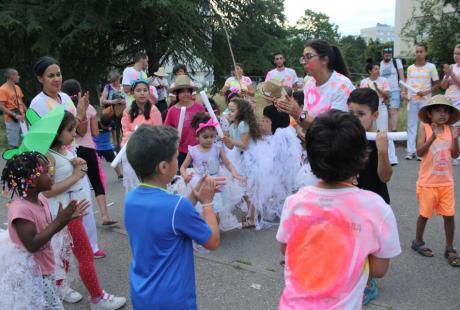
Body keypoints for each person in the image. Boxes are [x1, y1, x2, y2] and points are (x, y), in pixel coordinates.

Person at [277, 110, 401, 309]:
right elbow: (379, 269)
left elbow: (285, 248)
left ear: (310, 155)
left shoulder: (295, 201)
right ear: (364, 156)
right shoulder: (377, 208)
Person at [124, 125, 221, 309]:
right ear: (163, 167)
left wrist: (194, 196)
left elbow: (168, 220)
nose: (178, 161)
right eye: (176, 157)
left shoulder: (130, 198)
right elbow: (212, 241)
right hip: (174, 299)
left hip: (142, 293)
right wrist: (207, 203)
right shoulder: (177, 207)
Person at [44, 111, 127, 309]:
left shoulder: (63, 150)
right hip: (66, 214)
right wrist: (74, 175)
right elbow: (47, 191)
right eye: (70, 130)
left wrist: (74, 160)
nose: (75, 133)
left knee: (64, 252)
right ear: (57, 133)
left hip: (75, 212)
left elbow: (67, 169)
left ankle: (60, 286)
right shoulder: (48, 157)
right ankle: (97, 298)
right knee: (85, 255)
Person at [1, 151, 89, 309]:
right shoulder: (21, 210)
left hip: (44, 268)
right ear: (33, 181)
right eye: (47, 172)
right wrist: (60, 221)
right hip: (33, 274)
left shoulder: (41, 199)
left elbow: (48, 229)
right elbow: (32, 244)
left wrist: (66, 220)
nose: (52, 174)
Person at [347, 88, 394, 305]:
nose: (354, 119)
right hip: (353, 201)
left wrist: (382, 151)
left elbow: (385, 177)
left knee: (371, 247)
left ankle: (369, 283)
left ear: (375, 115)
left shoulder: (383, 139)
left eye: (360, 114)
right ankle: (355, 278)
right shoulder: (350, 137)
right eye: (351, 114)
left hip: (375, 202)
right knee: (353, 244)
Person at [412, 95, 460, 267]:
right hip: (428, 182)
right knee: (424, 214)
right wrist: (432, 137)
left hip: (446, 182)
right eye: (438, 110)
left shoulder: (450, 130)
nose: (443, 114)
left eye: (446, 111)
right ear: (430, 113)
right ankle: (418, 241)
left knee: (449, 216)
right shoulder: (425, 128)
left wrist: (454, 138)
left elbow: (455, 155)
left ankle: (449, 247)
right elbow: (419, 152)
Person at [63, 79, 117, 226]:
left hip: (71, 151)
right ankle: (104, 215)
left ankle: (76, 217)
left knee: (75, 185)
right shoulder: (89, 109)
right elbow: (94, 132)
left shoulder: (64, 109)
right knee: (96, 181)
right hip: (88, 149)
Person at [275, 39, 355, 130]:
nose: (304, 61)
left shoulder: (342, 86)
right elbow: (305, 117)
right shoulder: (309, 84)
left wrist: (298, 113)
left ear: (324, 60)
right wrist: (294, 112)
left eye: (308, 56)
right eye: (303, 58)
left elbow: (334, 129)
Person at [180, 112, 243, 216]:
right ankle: (208, 229)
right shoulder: (193, 151)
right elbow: (183, 167)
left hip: (216, 183)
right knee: (203, 212)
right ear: (197, 136)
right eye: (205, 137)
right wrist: (185, 176)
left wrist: (234, 172)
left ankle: (214, 228)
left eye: (212, 136)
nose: (209, 140)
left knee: (215, 213)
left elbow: (227, 163)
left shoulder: (217, 147)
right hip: (200, 183)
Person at [222, 98, 262, 228]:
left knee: (247, 188)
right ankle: (253, 213)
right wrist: (225, 138)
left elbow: (244, 145)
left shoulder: (243, 124)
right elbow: (231, 147)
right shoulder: (234, 125)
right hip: (240, 157)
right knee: (243, 188)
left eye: (232, 110)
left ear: (241, 112)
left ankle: (252, 217)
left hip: (249, 158)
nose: (229, 112)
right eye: (228, 109)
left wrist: (230, 140)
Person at [29, 56, 89, 137]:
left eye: (58, 74)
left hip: (72, 149)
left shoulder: (65, 97)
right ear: (40, 79)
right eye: (51, 76)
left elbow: (82, 132)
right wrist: (78, 118)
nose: (56, 79)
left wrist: (83, 112)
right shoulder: (38, 103)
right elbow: (56, 137)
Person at [121, 79, 163, 191]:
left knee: (150, 182)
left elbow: (159, 130)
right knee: (133, 182)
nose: (142, 93)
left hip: (150, 149)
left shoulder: (154, 110)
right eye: (138, 90)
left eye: (145, 90)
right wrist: (136, 135)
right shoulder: (128, 111)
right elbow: (125, 131)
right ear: (132, 93)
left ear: (149, 92)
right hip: (131, 148)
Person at [404, 42, 440, 160]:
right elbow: (408, 84)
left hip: (425, 100)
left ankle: (422, 151)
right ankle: (410, 151)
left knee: (424, 125)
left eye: (421, 51)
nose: (419, 54)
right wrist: (407, 97)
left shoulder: (431, 67)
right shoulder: (410, 68)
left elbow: (437, 84)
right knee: (411, 125)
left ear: (426, 53)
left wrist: (425, 92)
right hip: (413, 100)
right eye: (417, 52)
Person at [165, 75, 205, 168]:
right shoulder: (172, 111)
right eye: (182, 91)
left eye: (188, 91)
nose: (186, 94)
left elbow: (205, 125)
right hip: (181, 150)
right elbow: (167, 130)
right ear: (177, 94)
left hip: (198, 147)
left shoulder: (199, 107)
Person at [441, 44, 460, 165]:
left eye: (459, 54)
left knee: (457, 128)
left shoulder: (453, 69)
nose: (456, 56)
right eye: (455, 53)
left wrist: (452, 74)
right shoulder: (451, 67)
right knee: (447, 127)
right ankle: (447, 152)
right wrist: (447, 75)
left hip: (459, 101)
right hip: (449, 101)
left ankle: (457, 155)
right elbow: (443, 86)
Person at [99, 70, 126, 152]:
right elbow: (102, 100)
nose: (116, 82)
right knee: (116, 132)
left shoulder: (123, 87)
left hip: (122, 112)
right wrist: (112, 102)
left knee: (125, 131)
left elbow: (128, 98)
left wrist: (124, 101)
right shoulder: (108, 87)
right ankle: (117, 150)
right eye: (114, 81)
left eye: (117, 80)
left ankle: (125, 149)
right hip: (112, 113)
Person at [380, 47, 405, 132]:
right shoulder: (380, 64)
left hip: (395, 90)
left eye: (389, 54)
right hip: (384, 92)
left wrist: (403, 91)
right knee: (386, 113)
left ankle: (394, 133)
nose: (387, 55)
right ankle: (387, 134)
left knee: (393, 111)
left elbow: (402, 77)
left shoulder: (396, 62)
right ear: (382, 54)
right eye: (386, 54)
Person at [0, 68, 26, 148]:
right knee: (13, 144)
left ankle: (23, 160)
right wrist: (15, 115)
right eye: (17, 75)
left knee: (24, 141)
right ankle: (12, 160)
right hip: (12, 119)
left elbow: (21, 102)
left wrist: (26, 113)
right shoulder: (2, 89)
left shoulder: (17, 87)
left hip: (22, 118)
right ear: (11, 76)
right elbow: (1, 106)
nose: (19, 76)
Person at [93, 113, 123, 179]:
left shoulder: (111, 123)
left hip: (107, 146)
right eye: (104, 126)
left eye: (107, 126)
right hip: (96, 146)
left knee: (114, 160)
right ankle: (96, 178)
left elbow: (114, 130)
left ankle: (119, 175)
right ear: (100, 122)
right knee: (95, 163)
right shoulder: (95, 124)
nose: (106, 127)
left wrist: (115, 141)